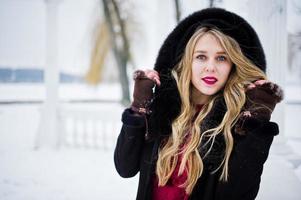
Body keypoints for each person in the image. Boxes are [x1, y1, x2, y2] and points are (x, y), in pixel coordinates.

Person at [114, 7, 283, 200]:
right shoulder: (163, 112)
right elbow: (125, 167)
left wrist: (257, 118)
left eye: (221, 58)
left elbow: (237, 194)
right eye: (201, 56)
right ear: (187, 61)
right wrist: (139, 107)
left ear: (233, 65)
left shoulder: (236, 123)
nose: (210, 67)